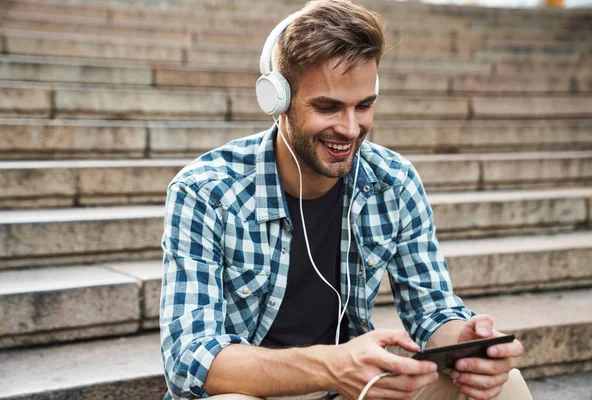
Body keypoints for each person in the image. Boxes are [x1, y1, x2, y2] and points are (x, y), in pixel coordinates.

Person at [160, 1, 532, 399]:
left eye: (364, 105)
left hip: (352, 388)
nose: (351, 129)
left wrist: (468, 344)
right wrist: (331, 367)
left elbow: (431, 311)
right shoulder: (205, 191)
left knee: (504, 386)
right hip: (252, 389)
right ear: (277, 100)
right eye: (328, 107)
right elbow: (188, 358)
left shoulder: (393, 181)